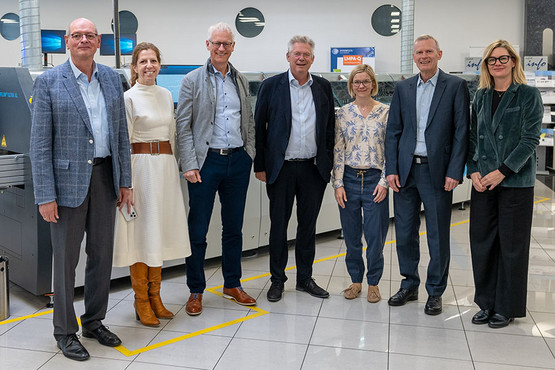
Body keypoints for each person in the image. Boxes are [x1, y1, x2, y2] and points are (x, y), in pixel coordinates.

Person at [29, 18, 132, 361]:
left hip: (105, 179)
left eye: (90, 35)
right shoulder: (48, 83)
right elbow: (40, 144)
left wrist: (125, 181)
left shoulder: (113, 79)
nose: (84, 40)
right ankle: (65, 331)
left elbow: (120, 135)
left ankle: (93, 321)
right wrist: (45, 195)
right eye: (77, 35)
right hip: (66, 184)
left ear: (98, 41)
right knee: (66, 262)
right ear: (67, 41)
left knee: (101, 257)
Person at [385, 35, 469, 315]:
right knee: (405, 233)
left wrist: (455, 170)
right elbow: (394, 131)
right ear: (414, 56)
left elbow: (461, 132)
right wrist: (392, 169)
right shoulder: (404, 88)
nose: (424, 56)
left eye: (429, 51)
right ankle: (409, 285)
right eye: (419, 52)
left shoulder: (455, 86)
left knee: (437, 234)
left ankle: (435, 291)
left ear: (439, 53)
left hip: (438, 172)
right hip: (406, 172)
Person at [176, 22, 256, 316]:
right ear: (207, 45)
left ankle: (231, 284)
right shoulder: (192, 80)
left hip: (237, 160)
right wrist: (189, 163)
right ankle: (196, 289)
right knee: (197, 229)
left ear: (233, 47)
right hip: (205, 163)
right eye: (216, 43)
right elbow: (182, 125)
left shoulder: (241, 80)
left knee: (233, 228)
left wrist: (250, 153)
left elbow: (248, 120)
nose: (221, 48)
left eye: (227, 44)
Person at [113, 43, 191, 327]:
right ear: (134, 67)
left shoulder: (167, 94)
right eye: (143, 61)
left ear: (160, 65)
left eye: (154, 61)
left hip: (165, 169)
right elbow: (124, 143)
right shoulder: (129, 98)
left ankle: (156, 296)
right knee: (141, 234)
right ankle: (141, 300)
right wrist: (126, 183)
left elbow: (171, 134)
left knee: (158, 230)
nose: (149, 66)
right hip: (140, 170)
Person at [467, 40, 543, 328]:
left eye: (503, 58)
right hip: (483, 183)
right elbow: (473, 137)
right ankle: (486, 302)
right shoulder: (481, 96)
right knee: (483, 243)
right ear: (486, 65)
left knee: (511, 247)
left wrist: (503, 171)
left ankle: (506, 307)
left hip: (515, 183)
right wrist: (473, 170)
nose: (497, 63)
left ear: (513, 61)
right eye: (491, 60)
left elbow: (529, 140)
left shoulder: (527, 95)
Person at [254, 35, 335, 302]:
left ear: (312, 58)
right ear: (287, 56)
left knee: (307, 227)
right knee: (279, 226)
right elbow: (259, 128)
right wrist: (261, 165)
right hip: (281, 168)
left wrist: (328, 163)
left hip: (313, 169)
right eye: (297, 53)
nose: (301, 58)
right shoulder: (271, 86)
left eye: (306, 55)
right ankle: (277, 280)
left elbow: (329, 128)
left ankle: (304, 279)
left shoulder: (322, 87)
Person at [333, 64, 389, 303]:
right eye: (357, 81)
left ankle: (373, 283)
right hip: (349, 179)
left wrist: (385, 181)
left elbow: (391, 150)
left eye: (366, 81)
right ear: (351, 85)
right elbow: (338, 148)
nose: (361, 85)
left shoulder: (386, 112)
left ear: (373, 84)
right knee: (352, 236)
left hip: (376, 179)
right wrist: (337, 183)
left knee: (375, 236)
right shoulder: (342, 113)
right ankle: (356, 280)